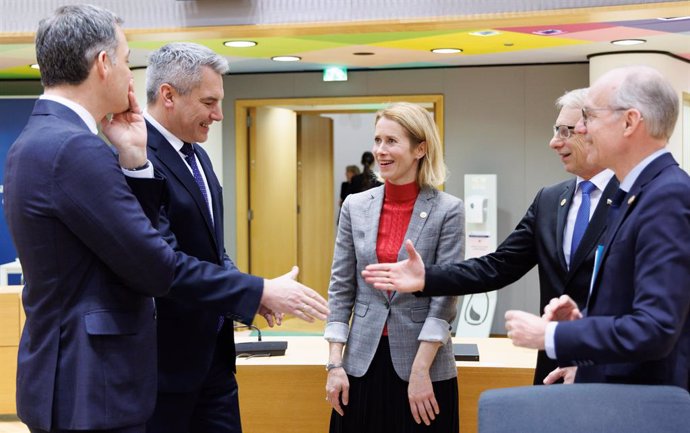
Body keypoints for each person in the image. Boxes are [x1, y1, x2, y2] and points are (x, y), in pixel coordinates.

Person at [361, 88, 619, 385]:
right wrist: (427, 278)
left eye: (565, 131)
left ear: (595, 131)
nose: (554, 142)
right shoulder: (550, 201)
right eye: (555, 130)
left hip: (612, 368)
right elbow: (497, 266)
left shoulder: (633, 199)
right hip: (554, 369)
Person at [3, 5, 177, 433]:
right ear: (103, 63)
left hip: (63, 376)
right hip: (92, 387)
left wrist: (133, 159)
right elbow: (154, 265)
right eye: (125, 58)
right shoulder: (75, 148)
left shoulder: (34, 139)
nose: (129, 74)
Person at [143, 42, 329, 433]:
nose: (219, 115)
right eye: (209, 102)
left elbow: (212, 248)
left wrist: (246, 297)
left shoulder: (196, 155)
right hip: (165, 367)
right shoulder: (137, 160)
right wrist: (257, 290)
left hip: (215, 360)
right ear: (168, 95)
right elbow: (166, 262)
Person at [504, 65, 690, 388]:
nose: (581, 129)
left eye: (588, 118)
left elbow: (655, 327)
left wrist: (555, 335)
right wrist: (585, 319)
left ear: (629, 122)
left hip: (645, 406)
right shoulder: (635, 193)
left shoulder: (666, 196)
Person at [325, 102, 463, 432]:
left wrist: (420, 371)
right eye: (377, 140)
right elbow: (341, 288)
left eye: (391, 141)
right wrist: (334, 364)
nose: (380, 151)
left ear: (420, 148)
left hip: (423, 366)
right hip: (361, 365)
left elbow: (444, 300)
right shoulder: (355, 206)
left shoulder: (448, 210)